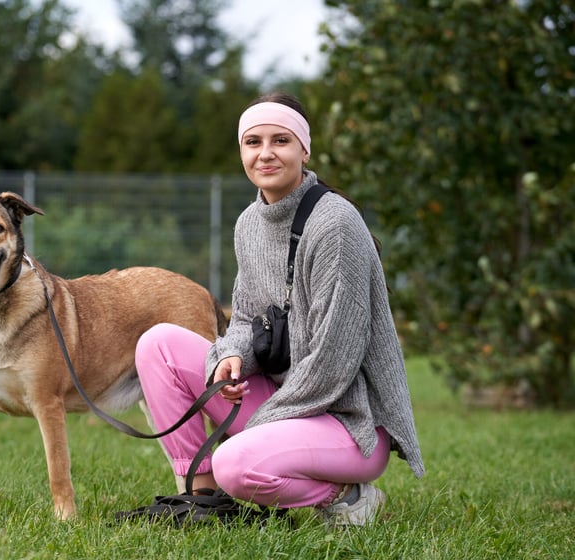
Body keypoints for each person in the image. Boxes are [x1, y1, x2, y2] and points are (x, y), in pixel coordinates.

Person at [134, 92, 424, 526]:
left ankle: (349, 496)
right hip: (284, 401)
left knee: (236, 463)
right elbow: (246, 319)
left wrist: (259, 428)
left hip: (348, 423)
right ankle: (202, 498)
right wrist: (231, 357)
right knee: (157, 344)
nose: (265, 153)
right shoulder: (249, 223)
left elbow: (333, 362)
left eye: (281, 140)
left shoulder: (336, 225)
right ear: (241, 152)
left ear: (304, 150)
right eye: (253, 142)